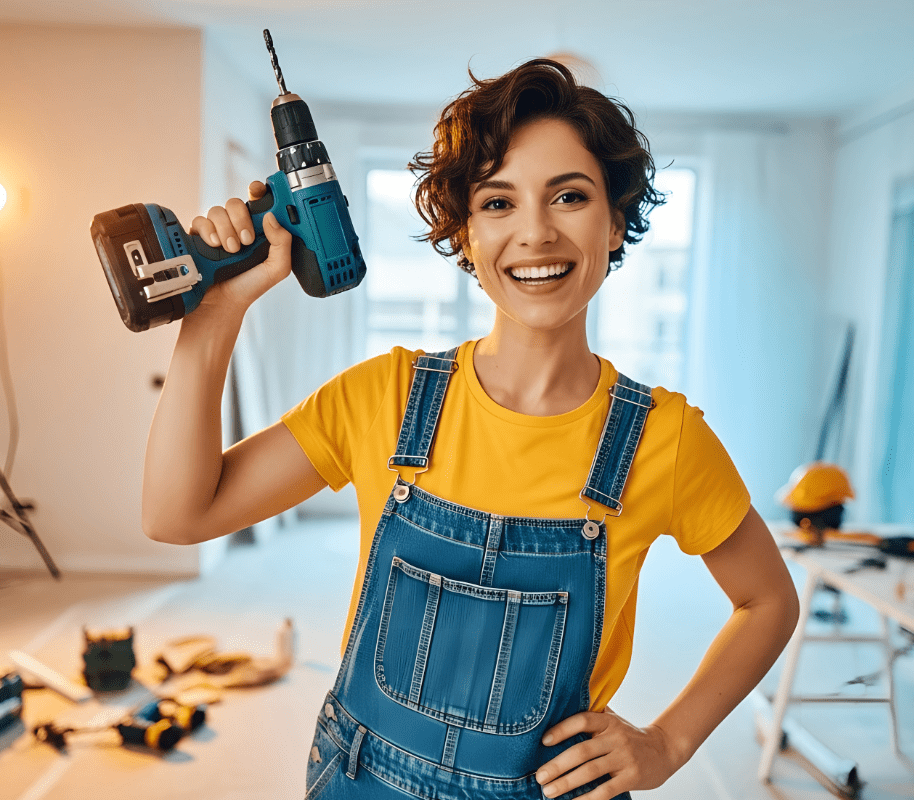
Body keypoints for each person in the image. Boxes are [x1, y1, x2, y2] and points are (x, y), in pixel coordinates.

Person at [143, 58, 799, 800]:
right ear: (463, 234)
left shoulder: (663, 439)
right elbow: (177, 513)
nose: (536, 233)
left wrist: (669, 744)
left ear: (615, 222)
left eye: (571, 196)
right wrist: (213, 315)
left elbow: (769, 600)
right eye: (498, 203)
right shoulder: (382, 396)